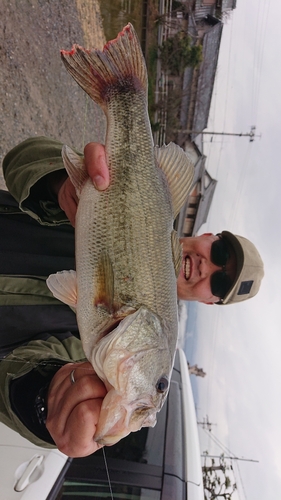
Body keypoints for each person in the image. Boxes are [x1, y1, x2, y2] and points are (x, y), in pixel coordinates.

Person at [0, 136, 264, 457]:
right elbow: (18, 159)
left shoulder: (109, 351)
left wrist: (43, 400)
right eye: (220, 251)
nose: (208, 266)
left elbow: (18, 372)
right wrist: (59, 183)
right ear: (209, 235)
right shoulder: (134, 204)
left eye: (220, 283)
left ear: (211, 301)